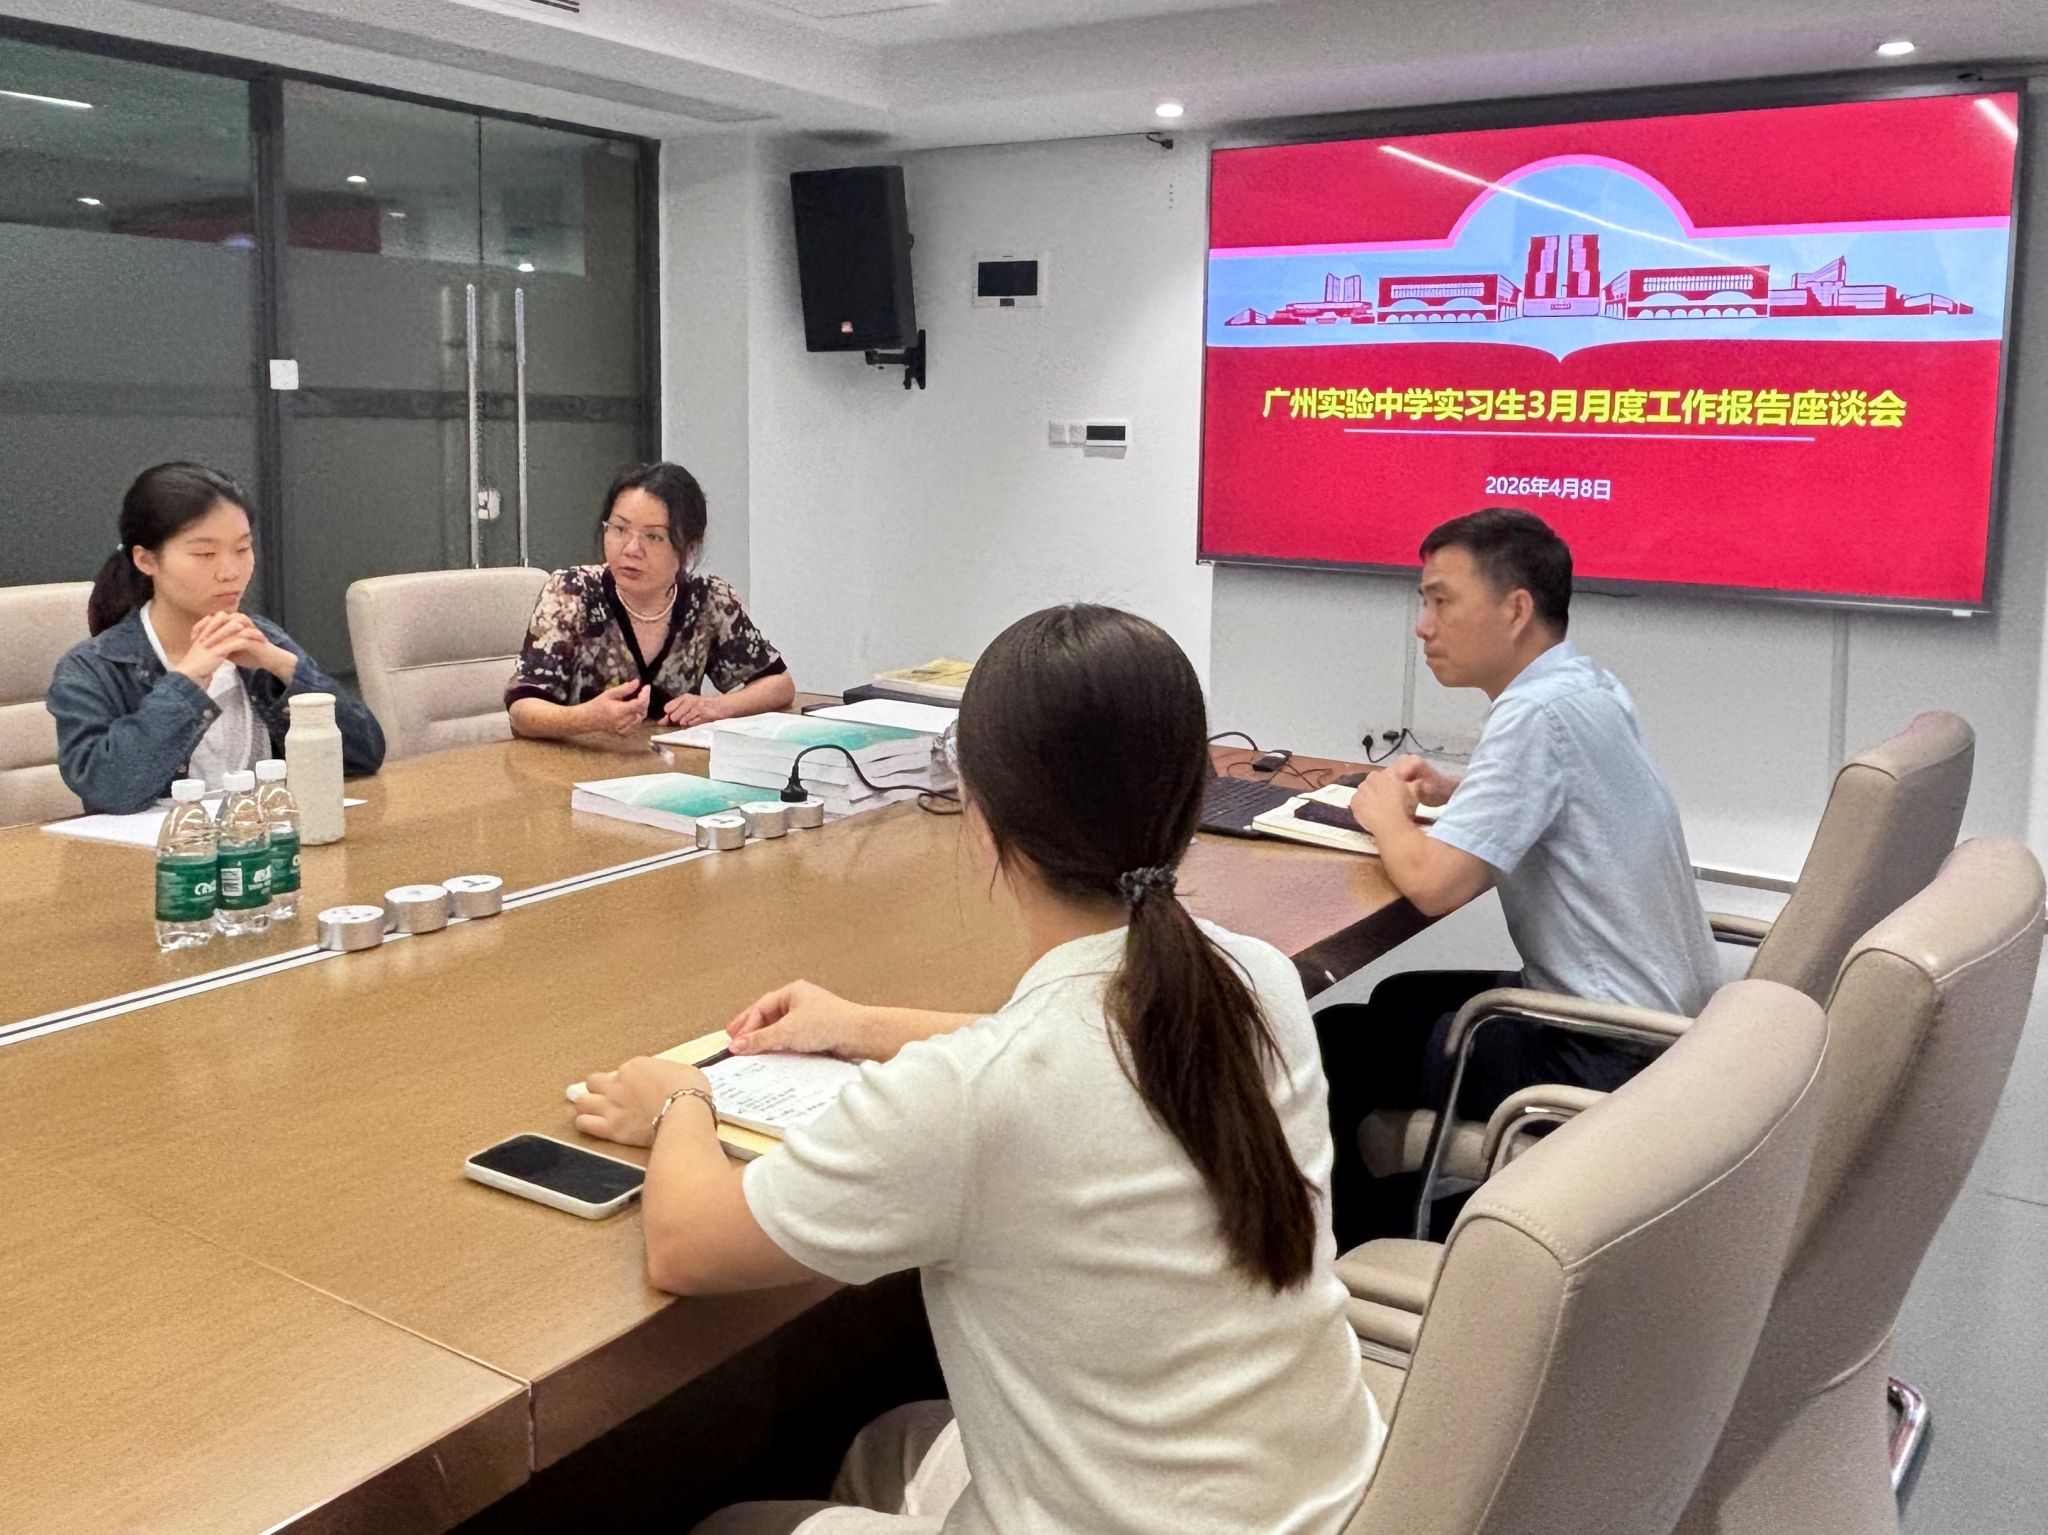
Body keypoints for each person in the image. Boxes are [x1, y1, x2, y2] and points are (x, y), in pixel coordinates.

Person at [570, 605, 1386, 1535]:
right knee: (893, 1441)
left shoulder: (972, 1096)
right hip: (1323, 1505)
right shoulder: (1256, 982)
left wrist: (679, 1098)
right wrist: (861, 1025)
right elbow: (1085, 1049)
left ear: (983, 820)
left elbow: (687, 1243)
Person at [1320, 507, 1719, 1246]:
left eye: (1442, 601)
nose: (1423, 627)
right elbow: (1566, 800)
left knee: (1336, 1042)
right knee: (1399, 996)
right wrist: (1459, 790)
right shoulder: (1583, 684)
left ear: (1515, 609)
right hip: (1661, 1012)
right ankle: (1401, 1211)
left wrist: (1385, 815)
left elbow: (1435, 885)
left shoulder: (1533, 714)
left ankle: (1361, 1251)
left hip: (1601, 1045)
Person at [47, 463, 384, 816]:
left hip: (267, 840)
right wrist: (187, 682)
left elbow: (364, 755)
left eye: (242, 549)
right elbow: (108, 790)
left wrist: (285, 667)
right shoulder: (93, 667)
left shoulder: (262, 639)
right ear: (146, 560)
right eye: (205, 554)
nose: (230, 572)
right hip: (166, 847)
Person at [505, 462, 793, 738]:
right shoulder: (572, 592)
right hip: (574, 764)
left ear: (689, 547)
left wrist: (717, 707)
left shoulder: (709, 601)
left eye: (654, 537)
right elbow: (522, 710)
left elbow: (778, 685)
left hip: (670, 765)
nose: (632, 549)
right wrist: (588, 718)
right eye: (619, 529)